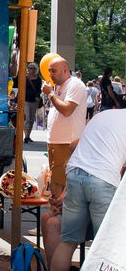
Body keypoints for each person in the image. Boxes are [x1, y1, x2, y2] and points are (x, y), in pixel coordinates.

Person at [40, 108, 126, 271]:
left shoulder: (105, 115)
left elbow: (73, 145)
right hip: (103, 180)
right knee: (103, 245)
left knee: (68, 241)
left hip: (76, 174)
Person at [42, 56, 87, 201]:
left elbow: (67, 110)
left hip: (66, 142)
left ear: (65, 70)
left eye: (53, 71)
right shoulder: (61, 87)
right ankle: (57, 218)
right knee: (55, 183)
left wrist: (50, 94)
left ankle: (60, 219)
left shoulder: (75, 84)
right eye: (49, 71)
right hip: (57, 142)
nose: (50, 75)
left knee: (60, 186)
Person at [13, 63, 43, 142]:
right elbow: (21, 88)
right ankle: (25, 137)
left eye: (33, 68)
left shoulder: (38, 79)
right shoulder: (24, 78)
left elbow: (39, 89)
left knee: (32, 119)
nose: (31, 70)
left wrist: (37, 96)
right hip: (25, 100)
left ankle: (28, 135)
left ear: (36, 69)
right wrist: (16, 100)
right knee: (27, 117)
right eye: (29, 68)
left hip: (34, 100)